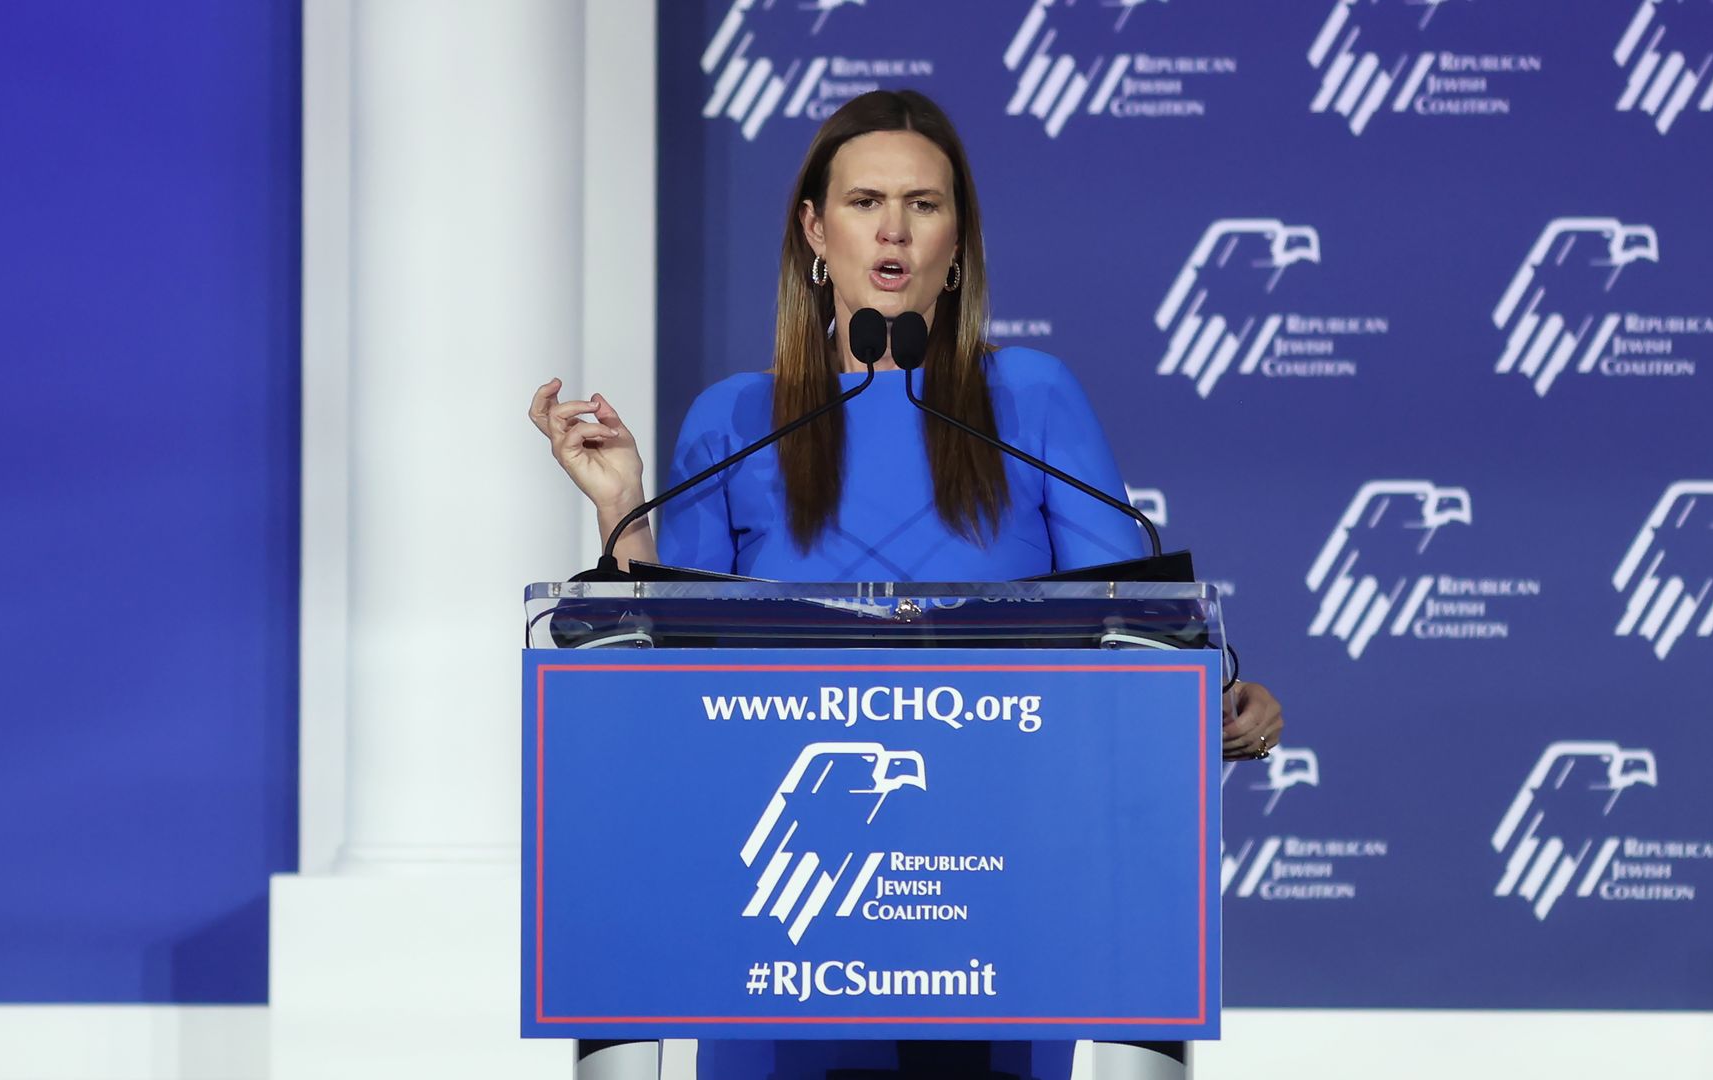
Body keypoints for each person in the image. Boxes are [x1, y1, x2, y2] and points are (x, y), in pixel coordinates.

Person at [529, 90, 1284, 1080]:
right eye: (865, 201)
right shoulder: (736, 419)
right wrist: (621, 507)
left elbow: (1129, 623)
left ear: (959, 243)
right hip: (779, 936)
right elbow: (672, 686)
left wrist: (1204, 698)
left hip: (990, 919)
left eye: (924, 205)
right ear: (814, 230)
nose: (893, 230)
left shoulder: (1031, 399)